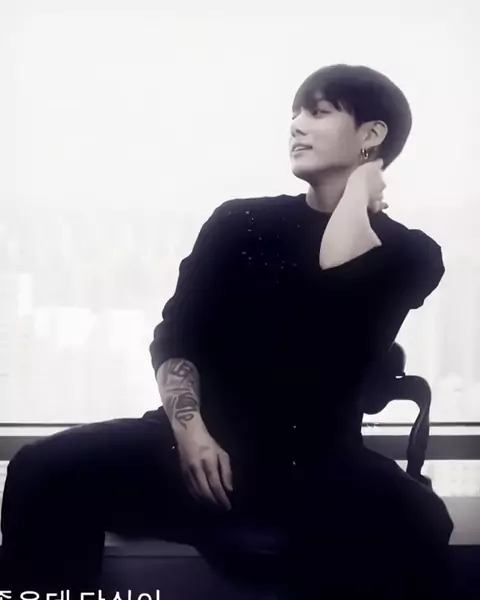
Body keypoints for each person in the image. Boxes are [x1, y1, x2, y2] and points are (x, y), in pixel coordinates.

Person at [0, 64, 454, 598]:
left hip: (314, 464)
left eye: (318, 112)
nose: (296, 125)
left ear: (371, 134)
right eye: (294, 113)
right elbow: (177, 336)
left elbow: (328, 304)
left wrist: (358, 193)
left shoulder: (411, 254)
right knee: (41, 469)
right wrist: (191, 433)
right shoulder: (239, 222)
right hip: (195, 449)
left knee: (414, 523)